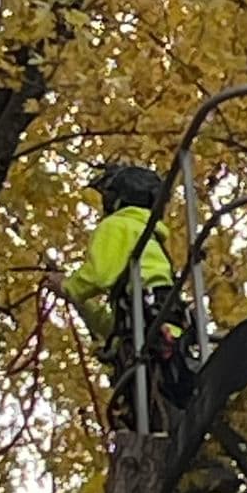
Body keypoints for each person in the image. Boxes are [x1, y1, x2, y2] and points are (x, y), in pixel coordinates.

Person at [45, 164, 191, 427]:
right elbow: (114, 325)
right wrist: (81, 304)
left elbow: (98, 275)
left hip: (146, 334)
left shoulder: (116, 226)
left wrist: (67, 286)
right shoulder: (150, 239)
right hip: (163, 328)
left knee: (147, 417)